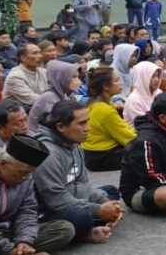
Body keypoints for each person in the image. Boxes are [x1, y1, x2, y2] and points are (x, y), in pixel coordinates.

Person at [0, 133, 76, 254]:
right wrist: (7, 248)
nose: (25, 178)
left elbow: (27, 211)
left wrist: (24, 241)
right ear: (2, 163)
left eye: (29, 173)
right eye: (21, 173)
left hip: (9, 234)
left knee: (64, 230)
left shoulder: (24, 175)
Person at [34, 101, 124, 245]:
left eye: (87, 122)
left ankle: (95, 221)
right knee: (82, 218)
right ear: (61, 127)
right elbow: (56, 200)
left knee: (110, 192)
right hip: (49, 210)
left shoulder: (74, 144)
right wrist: (98, 209)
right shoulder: (48, 153)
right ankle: (88, 230)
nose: (87, 129)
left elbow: (84, 183)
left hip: (74, 199)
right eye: (81, 124)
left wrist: (105, 204)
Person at [82, 67, 135, 171]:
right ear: (105, 86)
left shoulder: (98, 102)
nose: (120, 83)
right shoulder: (104, 110)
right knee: (146, 153)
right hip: (102, 157)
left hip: (92, 155)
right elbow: (128, 137)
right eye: (116, 80)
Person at [28, 60, 80, 129]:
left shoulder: (68, 95)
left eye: (78, 77)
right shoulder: (49, 98)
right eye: (73, 77)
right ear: (61, 78)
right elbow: (57, 125)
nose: (78, 81)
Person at [3, 43, 47, 110]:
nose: (40, 56)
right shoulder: (15, 76)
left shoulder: (44, 72)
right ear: (23, 58)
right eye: (35, 53)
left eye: (40, 53)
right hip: (21, 112)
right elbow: (32, 99)